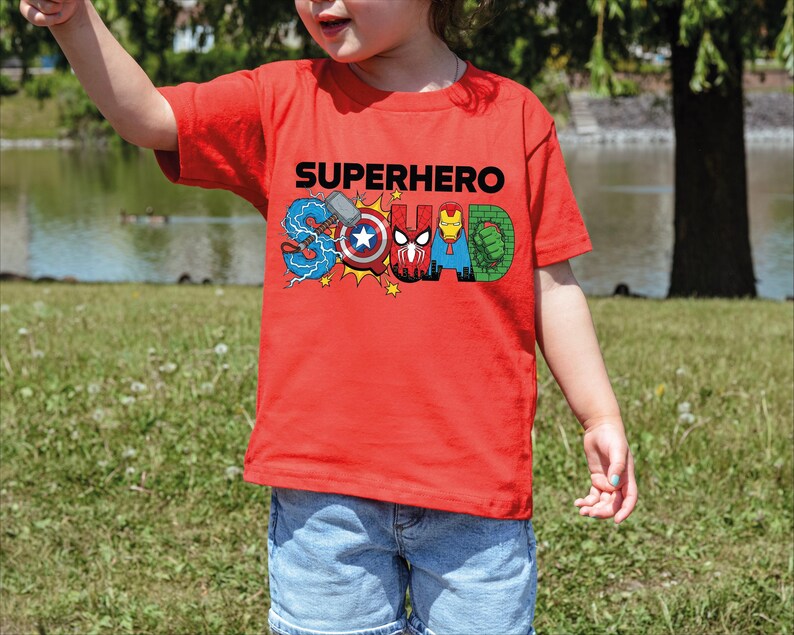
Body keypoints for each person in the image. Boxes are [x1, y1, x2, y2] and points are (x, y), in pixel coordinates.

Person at [20, 1, 638, 633]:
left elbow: (550, 284)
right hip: (324, 493)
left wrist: (599, 413)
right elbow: (148, 116)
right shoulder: (282, 100)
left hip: (475, 488)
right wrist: (70, 17)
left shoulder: (515, 117)